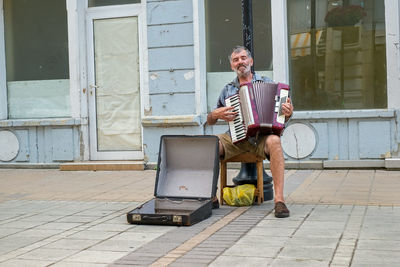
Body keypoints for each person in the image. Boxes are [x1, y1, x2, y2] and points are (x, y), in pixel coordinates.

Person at [207, 46, 293, 218]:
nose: (240, 62)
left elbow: (282, 117)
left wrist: (288, 112)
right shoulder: (228, 89)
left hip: (261, 138)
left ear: (251, 61)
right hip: (234, 138)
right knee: (210, 144)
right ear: (232, 66)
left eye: (243, 58)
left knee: (275, 142)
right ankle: (210, 196)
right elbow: (210, 120)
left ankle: (279, 201)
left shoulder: (267, 83)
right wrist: (214, 114)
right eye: (236, 60)